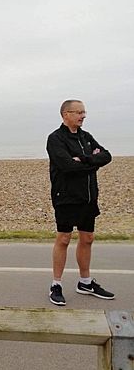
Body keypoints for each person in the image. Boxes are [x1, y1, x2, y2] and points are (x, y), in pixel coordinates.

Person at [46, 100, 113, 306]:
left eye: (84, 112)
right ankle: (56, 284)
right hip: (65, 197)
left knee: (88, 238)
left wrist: (82, 160)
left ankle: (85, 282)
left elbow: (106, 156)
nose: (83, 116)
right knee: (64, 239)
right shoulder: (55, 138)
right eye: (79, 112)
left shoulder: (86, 136)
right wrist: (92, 162)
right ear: (66, 114)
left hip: (88, 197)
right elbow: (66, 166)